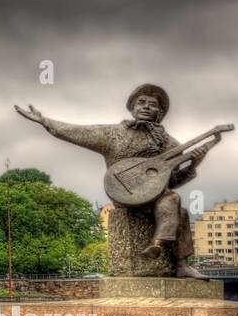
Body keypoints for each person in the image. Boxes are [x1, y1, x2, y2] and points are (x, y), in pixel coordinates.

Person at [15, 83, 210, 279]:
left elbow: (169, 181)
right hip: (122, 193)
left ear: (160, 112)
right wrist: (44, 121)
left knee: (176, 206)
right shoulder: (113, 134)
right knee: (173, 202)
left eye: (152, 104)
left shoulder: (170, 144)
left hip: (155, 197)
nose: (146, 107)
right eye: (140, 103)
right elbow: (75, 132)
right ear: (132, 108)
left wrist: (193, 165)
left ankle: (172, 257)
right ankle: (175, 259)